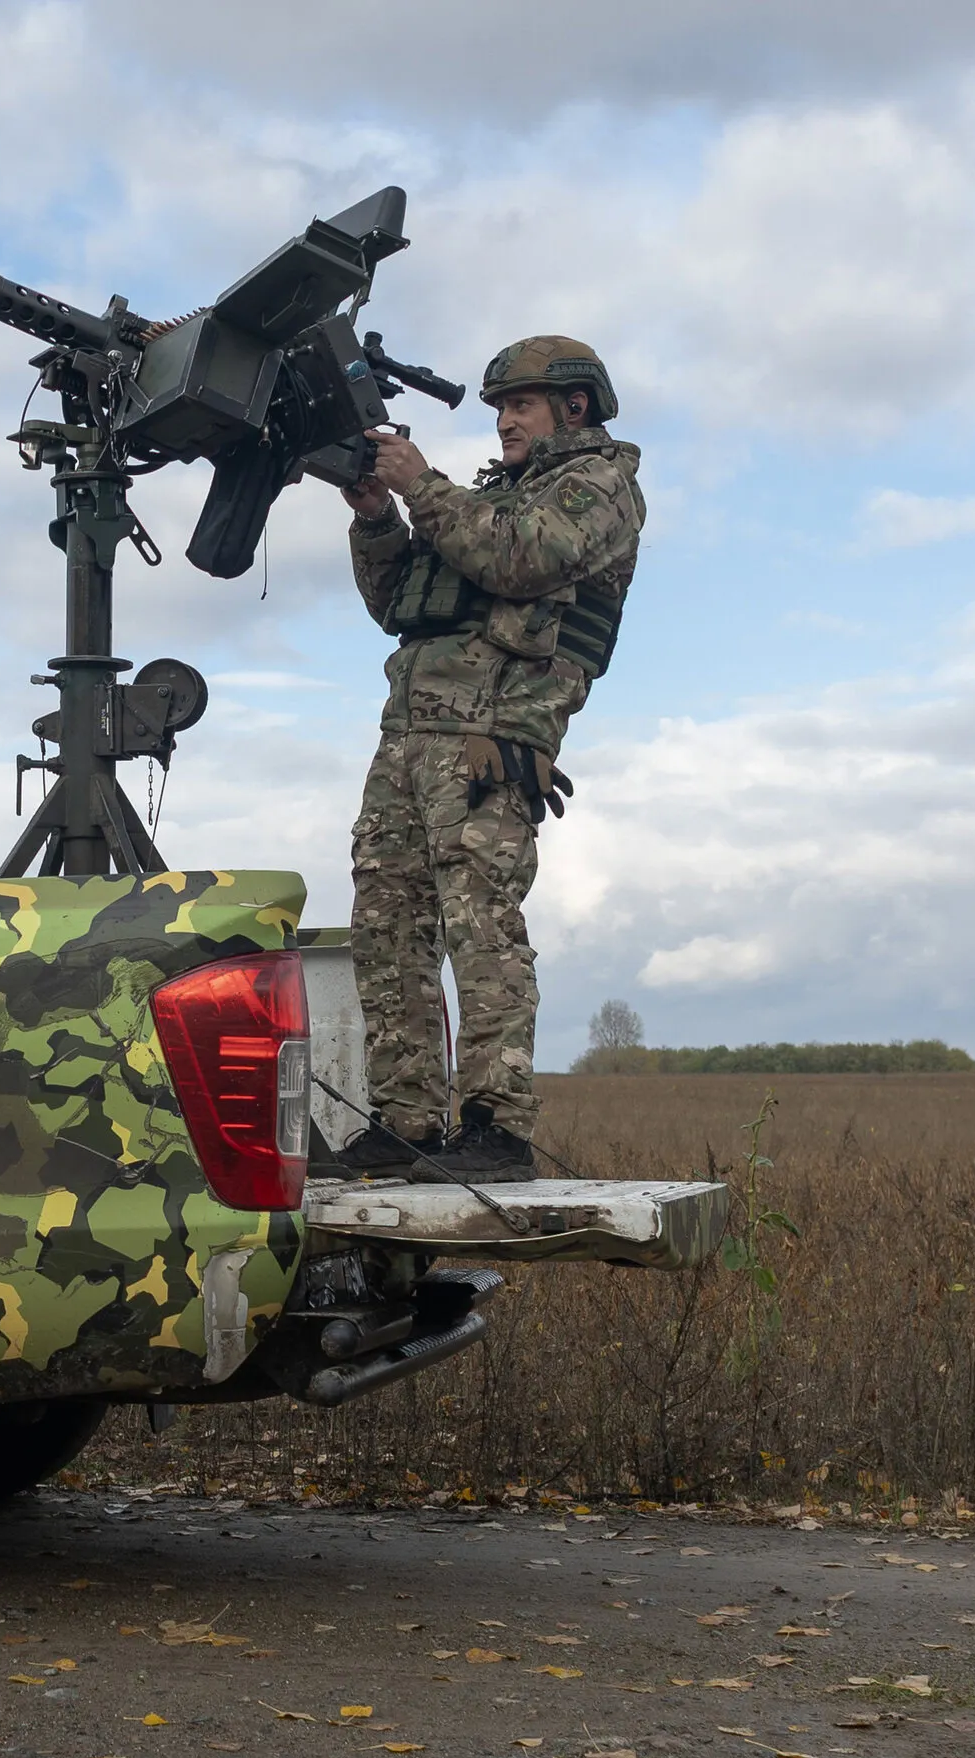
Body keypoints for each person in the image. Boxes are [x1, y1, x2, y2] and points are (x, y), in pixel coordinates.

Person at [308, 336, 644, 1182]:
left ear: (573, 407)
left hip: (489, 742)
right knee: (387, 929)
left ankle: (496, 1127)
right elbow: (398, 604)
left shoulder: (599, 485)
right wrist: (376, 516)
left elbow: (519, 557)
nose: (502, 421)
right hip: (410, 735)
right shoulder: (493, 497)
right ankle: (407, 1119)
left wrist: (419, 483)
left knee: (479, 926)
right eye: (498, 407)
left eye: (519, 404)